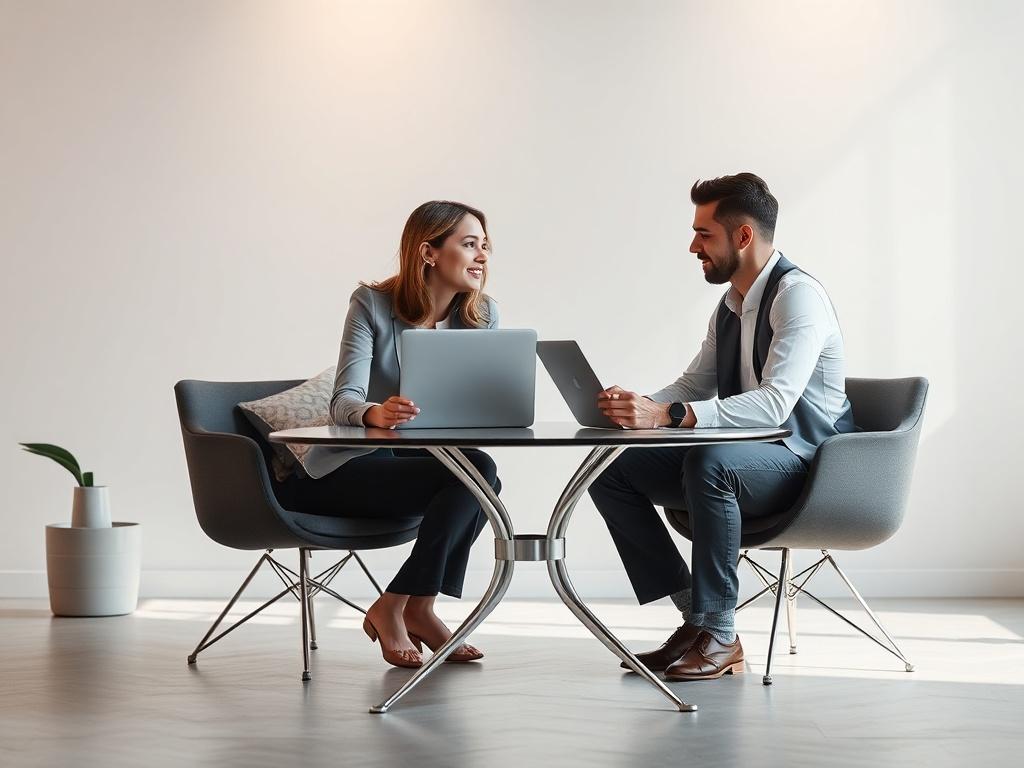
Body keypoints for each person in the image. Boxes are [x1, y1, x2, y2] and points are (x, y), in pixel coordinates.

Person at [589, 173, 855, 681]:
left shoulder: (798, 296)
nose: (693, 247)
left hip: (808, 463)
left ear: (743, 236)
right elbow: (696, 383)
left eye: (704, 234)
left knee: (711, 463)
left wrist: (666, 417)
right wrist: (639, 406)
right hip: (750, 460)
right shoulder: (732, 303)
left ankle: (721, 632)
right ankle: (697, 619)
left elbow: (775, 405)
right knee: (612, 469)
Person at [312, 200, 499, 669]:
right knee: (480, 475)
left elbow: (478, 402)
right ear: (428, 252)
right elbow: (342, 401)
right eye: (469, 244)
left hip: (428, 463)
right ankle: (407, 606)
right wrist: (376, 412)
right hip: (354, 466)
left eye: (485, 246)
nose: (482, 256)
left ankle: (409, 605)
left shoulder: (483, 315)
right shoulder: (371, 304)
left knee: (480, 472)